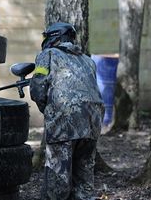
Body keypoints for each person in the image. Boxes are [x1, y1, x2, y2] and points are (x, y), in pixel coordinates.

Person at [29, 22, 104, 200]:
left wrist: (49, 111)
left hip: (65, 121)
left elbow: (38, 87)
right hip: (92, 121)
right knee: (84, 178)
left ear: (54, 37)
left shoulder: (46, 55)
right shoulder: (88, 60)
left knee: (57, 181)